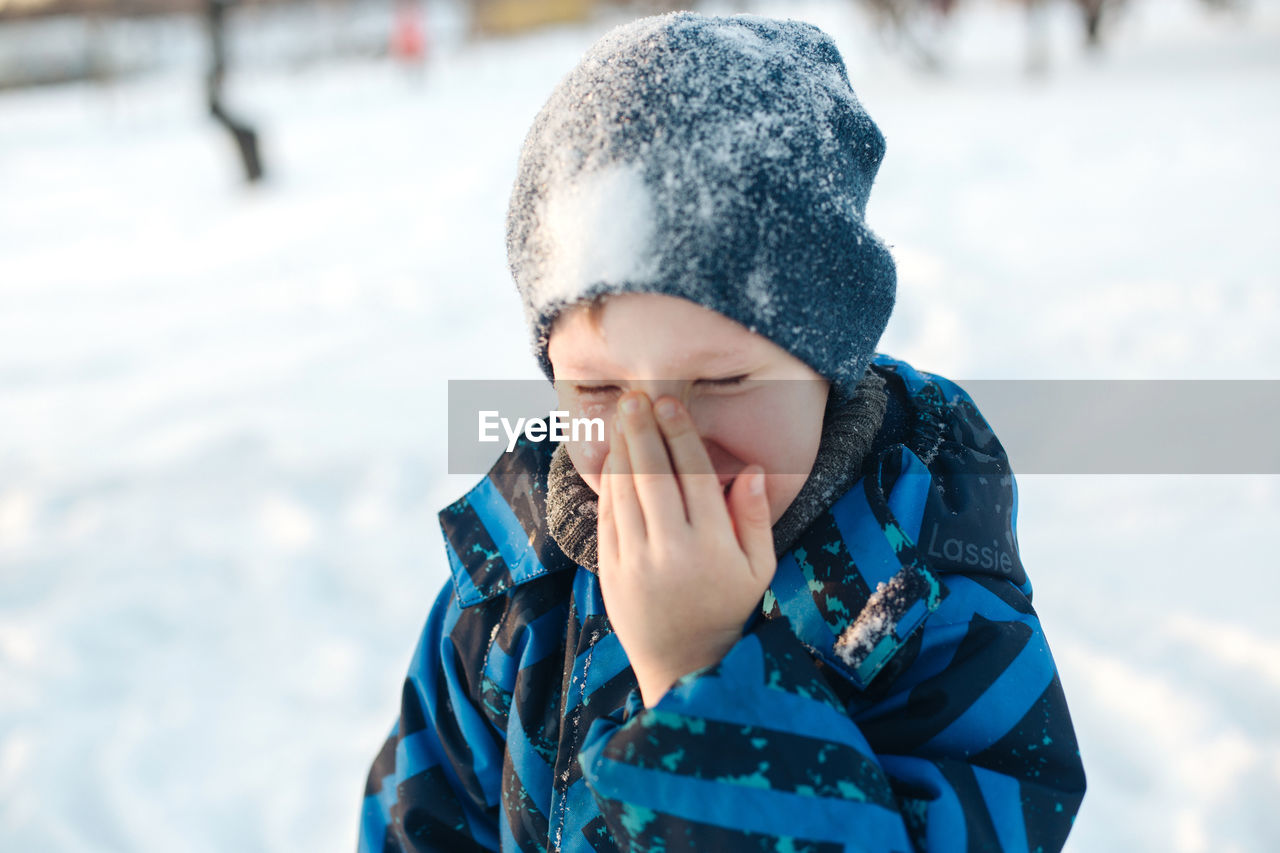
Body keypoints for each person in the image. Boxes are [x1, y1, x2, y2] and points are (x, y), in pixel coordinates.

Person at [358, 11, 1086, 852]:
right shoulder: (509, 595)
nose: (661, 435)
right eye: (598, 385)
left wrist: (699, 671)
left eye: (721, 381)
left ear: (831, 365)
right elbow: (416, 822)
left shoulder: (925, 602)